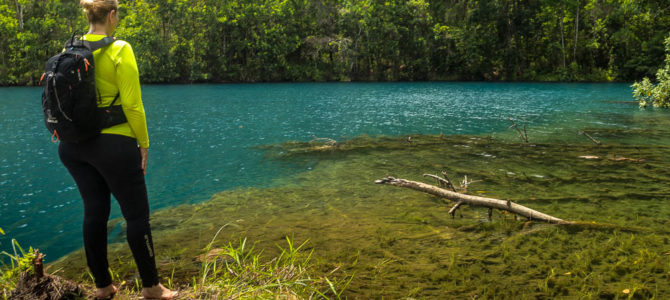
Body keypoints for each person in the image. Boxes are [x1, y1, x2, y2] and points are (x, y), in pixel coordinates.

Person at [58, 0, 177, 299]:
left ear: (88, 16)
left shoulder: (68, 51)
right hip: (114, 145)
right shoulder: (120, 48)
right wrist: (144, 144)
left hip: (73, 148)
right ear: (112, 15)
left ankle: (103, 287)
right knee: (137, 217)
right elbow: (133, 105)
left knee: (94, 214)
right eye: (118, 15)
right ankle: (152, 287)